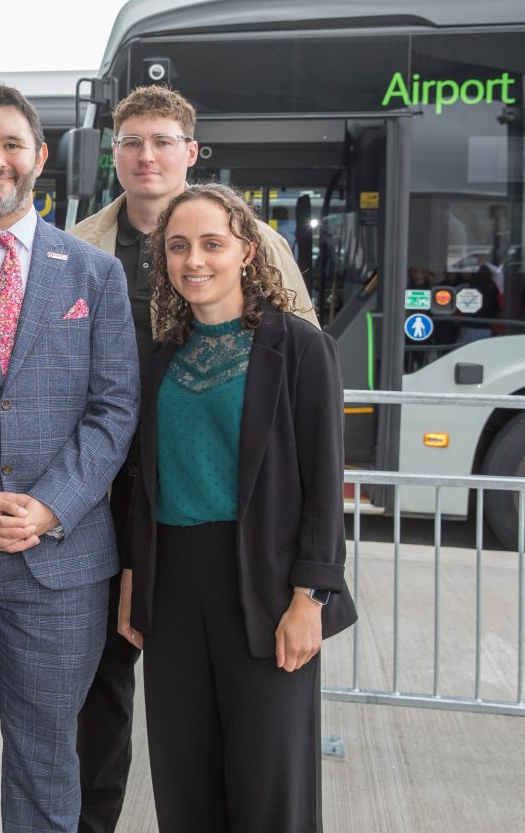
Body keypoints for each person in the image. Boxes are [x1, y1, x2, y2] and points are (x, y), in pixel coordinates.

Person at [70, 84, 317, 832]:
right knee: (104, 699)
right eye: (132, 142)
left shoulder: (262, 253)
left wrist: (309, 586)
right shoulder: (78, 247)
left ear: (190, 151)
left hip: (227, 527)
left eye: (162, 141)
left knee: (248, 738)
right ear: (114, 155)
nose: (147, 156)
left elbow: (298, 406)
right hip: (109, 510)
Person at [0, 85, 139, 833]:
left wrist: (51, 505)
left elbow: (114, 410)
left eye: (10, 144)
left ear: (40, 157)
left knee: (48, 763)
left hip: (62, 568)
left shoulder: (96, 275)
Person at [116, 183, 356, 832]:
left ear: (246, 251)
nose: (195, 259)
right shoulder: (162, 358)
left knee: (268, 786)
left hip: (266, 587)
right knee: (184, 781)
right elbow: (145, 482)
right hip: (173, 592)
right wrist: (135, 580)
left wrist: (312, 596)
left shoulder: (301, 349)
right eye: (178, 246)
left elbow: (324, 484)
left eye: (212, 243)